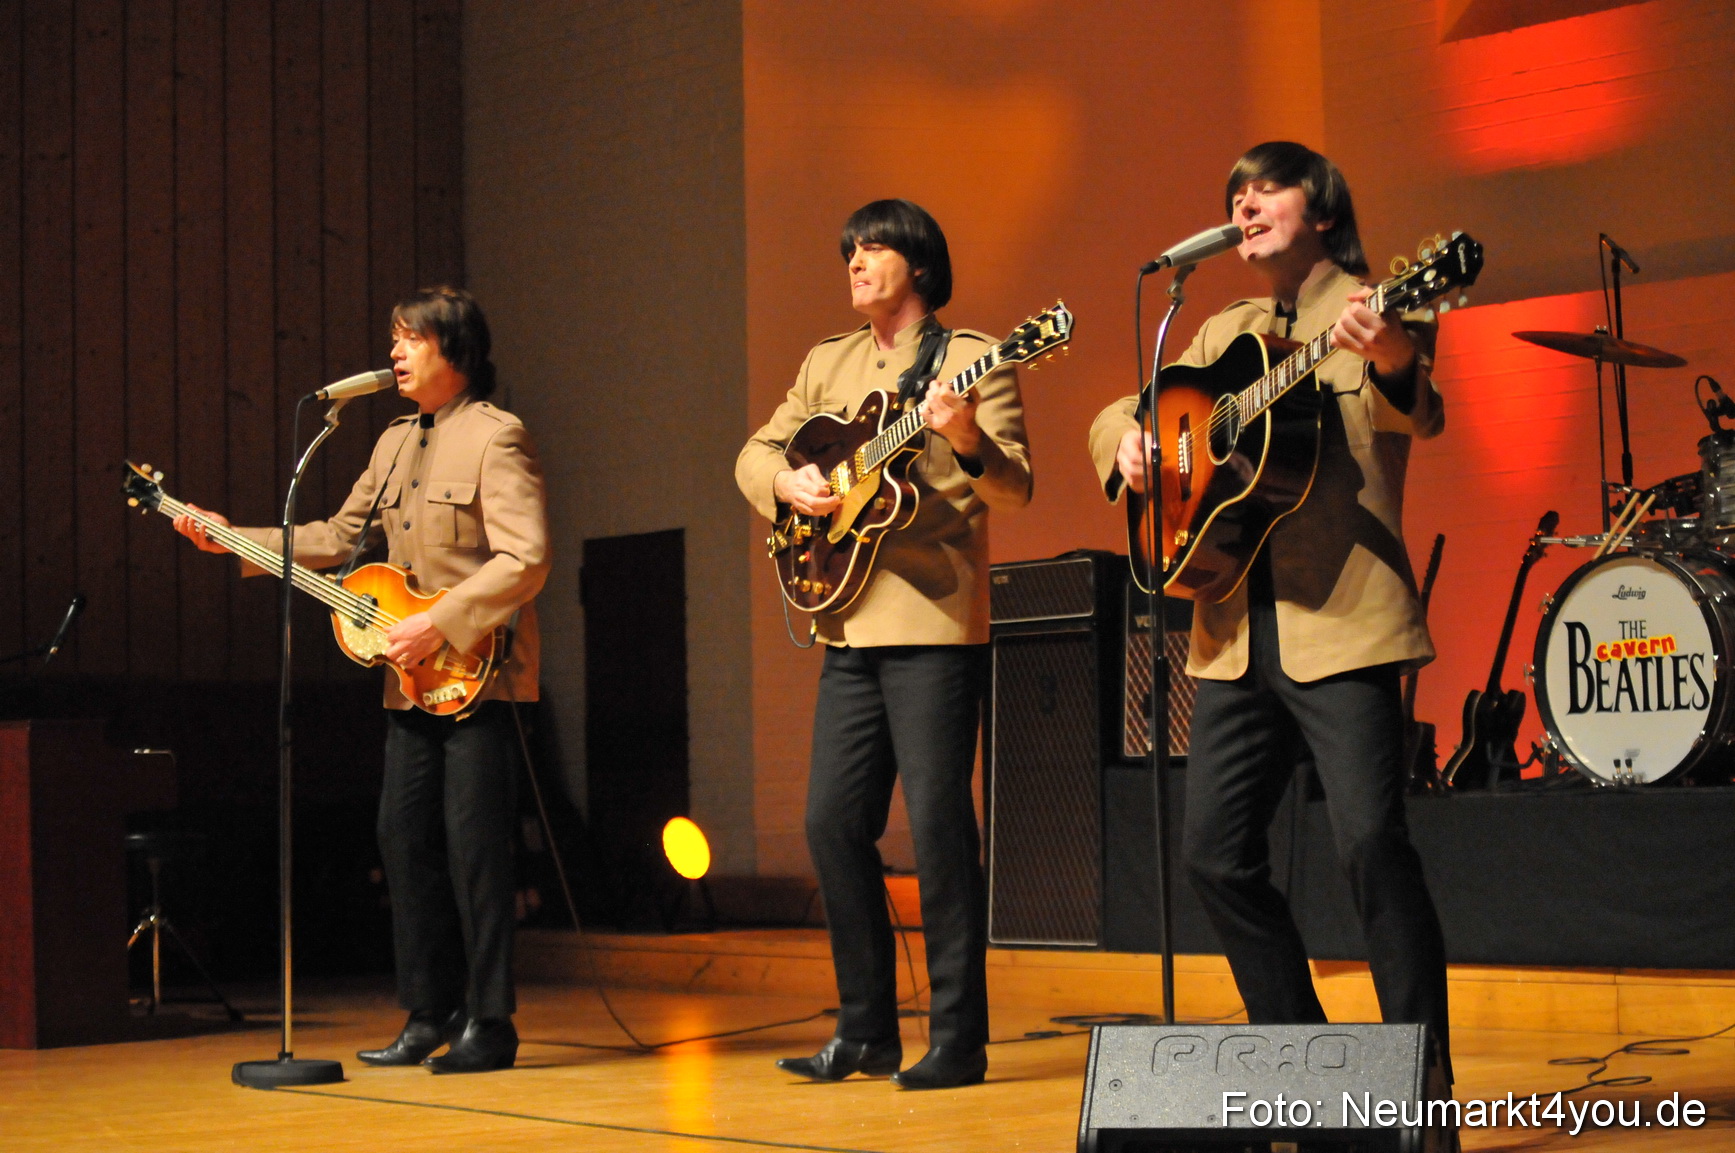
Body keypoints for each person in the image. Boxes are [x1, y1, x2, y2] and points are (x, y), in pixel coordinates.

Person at [1089, 142, 1453, 1078]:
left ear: (1322, 209)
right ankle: (1301, 1062)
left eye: (1265, 190)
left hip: (1344, 621)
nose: (1244, 207)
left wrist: (1392, 351)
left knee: (1371, 847)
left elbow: (1416, 411)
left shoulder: (1380, 304)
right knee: (1212, 858)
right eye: (1235, 196)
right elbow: (1122, 411)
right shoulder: (1223, 331)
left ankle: (1421, 1086)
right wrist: (1126, 441)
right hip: (1231, 633)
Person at [173, 286, 550, 1074]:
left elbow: (526, 559)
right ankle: (427, 1011)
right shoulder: (391, 442)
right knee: (401, 839)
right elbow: (337, 535)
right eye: (393, 338)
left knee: (476, 850)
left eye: (411, 338)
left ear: (456, 350)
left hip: (480, 678)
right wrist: (232, 538)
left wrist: (440, 622)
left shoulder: (496, 436)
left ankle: (490, 1021)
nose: (394, 352)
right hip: (407, 681)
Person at [736, 199, 1031, 1089]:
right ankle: (864, 1030)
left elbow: (1013, 488)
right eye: (850, 251)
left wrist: (964, 434)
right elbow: (755, 452)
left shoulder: (975, 356)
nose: (856, 262)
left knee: (938, 829)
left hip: (931, 620)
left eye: (874, 248)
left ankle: (958, 1037)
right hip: (846, 621)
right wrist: (786, 482)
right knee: (830, 822)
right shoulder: (826, 361)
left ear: (920, 266)